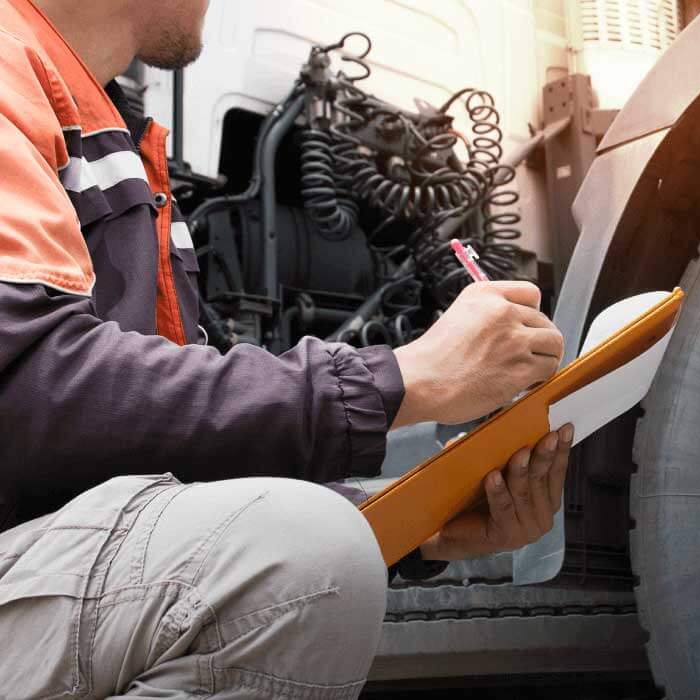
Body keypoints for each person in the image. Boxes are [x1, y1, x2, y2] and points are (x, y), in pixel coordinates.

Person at [0, 0, 572, 697]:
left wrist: (420, 523)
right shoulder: (8, 64)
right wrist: (399, 379)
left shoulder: (105, 125)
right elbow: (32, 391)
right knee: (301, 560)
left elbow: (171, 465)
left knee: (315, 546)